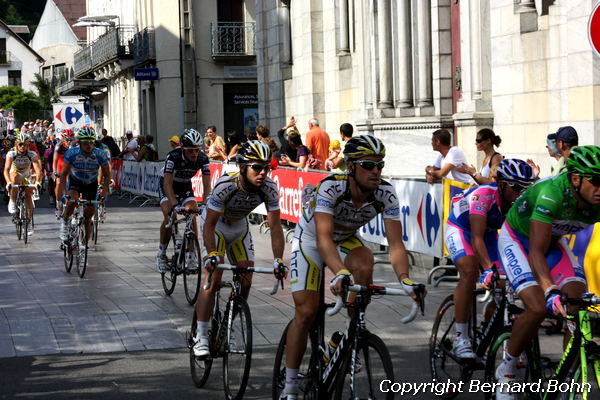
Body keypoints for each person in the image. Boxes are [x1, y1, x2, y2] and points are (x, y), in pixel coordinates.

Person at [280, 134, 424, 399]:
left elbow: (396, 244)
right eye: (368, 165)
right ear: (351, 167)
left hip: (345, 237)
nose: (376, 171)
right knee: (307, 311)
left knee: (365, 263)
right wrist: (340, 272)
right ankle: (289, 385)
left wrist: (405, 279)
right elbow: (323, 237)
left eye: (380, 165)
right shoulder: (331, 187)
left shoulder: (385, 193)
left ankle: (350, 335)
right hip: (311, 239)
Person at [493, 146, 600, 400]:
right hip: (519, 240)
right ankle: (506, 369)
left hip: (553, 241)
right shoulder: (552, 194)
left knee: (577, 303)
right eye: (596, 181)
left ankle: (565, 379)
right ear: (576, 179)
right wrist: (550, 290)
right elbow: (536, 252)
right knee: (539, 306)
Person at [193, 140, 286, 357]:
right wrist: (213, 254)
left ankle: (227, 325)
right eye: (257, 167)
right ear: (243, 167)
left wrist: (278, 259)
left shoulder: (269, 188)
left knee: (246, 279)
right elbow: (209, 225)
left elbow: (275, 227)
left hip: (239, 227)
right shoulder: (227, 185)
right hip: (216, 225)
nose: (263, 172)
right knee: (213, 276)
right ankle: (202, 335)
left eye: (267, 167)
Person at [445, 159, 536, 359]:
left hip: (488, 234)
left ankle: (488, 333)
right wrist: (487, 269)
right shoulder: (484, 195)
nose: (522, 193)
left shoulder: (522, 203)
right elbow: (476, 238)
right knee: (469, 272)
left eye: (527, 188)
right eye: (517, 187)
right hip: (462, 230)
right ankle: (461, 338)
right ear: (502, 184)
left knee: (502, 285)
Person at [155, 129, 211, 272]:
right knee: (170, 216)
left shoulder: (203, 159)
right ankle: (161, 254)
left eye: (197, 150)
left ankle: (191, 257)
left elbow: (206, 184)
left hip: (185, 185)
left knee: (192, 214)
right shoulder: (173, 156)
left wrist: (205, 203)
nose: (194, 154)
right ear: (183, 149)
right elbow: (167, 184)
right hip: (167, 184)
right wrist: (174, 205)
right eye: (191, 150)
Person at [58, 127, 111, 260]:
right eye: (86, 142)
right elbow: (63, 175)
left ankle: (84, 244)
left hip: (91, 184)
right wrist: (64, 193)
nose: (89, 145)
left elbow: (107, 175)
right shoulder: (71, 153)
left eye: (91, 142)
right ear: (79, 142)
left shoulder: (100, 154)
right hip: (75, 182)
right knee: (72, 200)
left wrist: (104, 193)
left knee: (89, 216)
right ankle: (65, 222)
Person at [3, 133, 43, 234]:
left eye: (24, 144)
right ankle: (12, 200)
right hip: (15, 172)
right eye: (20, 144)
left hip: (26, 173)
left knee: (29, 195)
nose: (22, 147)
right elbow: (6, 170)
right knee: (15, 178)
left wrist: (38, 182)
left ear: (28, 145)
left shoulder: (32, 154)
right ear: (16, 144)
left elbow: (38, 170)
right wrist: (8, 183)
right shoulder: (11, 153)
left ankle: (28, 222)